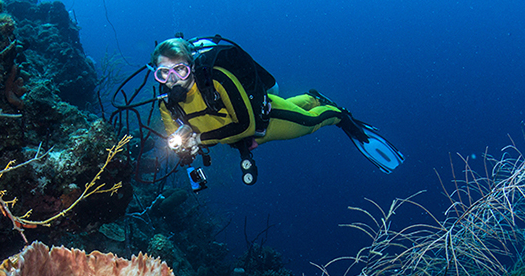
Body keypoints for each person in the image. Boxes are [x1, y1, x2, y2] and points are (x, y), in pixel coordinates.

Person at [151, 37, 404, 186]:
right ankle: (311, 97)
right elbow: (177, 136)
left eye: (180, 70)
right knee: (295, 107)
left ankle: (340, 116)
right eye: (164, 73)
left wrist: (200, 139)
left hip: (264, 121)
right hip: (235, 137)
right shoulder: (166, 103)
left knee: (309, 123)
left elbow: (246, 125)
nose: (173, 80)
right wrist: (184, 149)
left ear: (192, 66)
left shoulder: (216, 80)